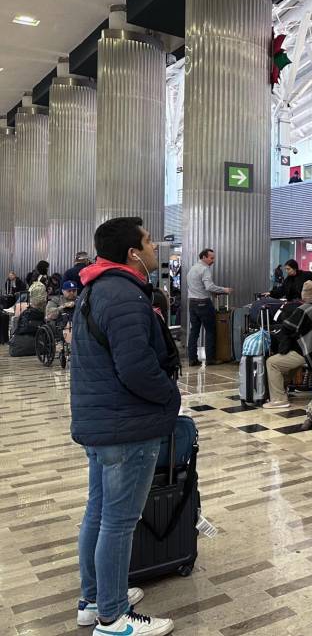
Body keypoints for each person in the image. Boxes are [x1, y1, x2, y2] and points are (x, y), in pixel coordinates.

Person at [70, 216, 179, 635]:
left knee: (99, 512)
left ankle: (93, 599)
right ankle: (113, 618)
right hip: (126, 424)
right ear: (133, 252)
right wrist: (169, 397)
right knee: (119, 521)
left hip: (102, 420)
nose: (154, 247)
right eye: (148, 241)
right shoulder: (124, 294)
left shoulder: (96, 287)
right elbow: (135, 367)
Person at [263, 281, 312, 409]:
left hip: (308, 353)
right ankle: (283, 390)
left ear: (303, 295)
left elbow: (287, 328)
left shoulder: (303, 310)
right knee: (290, 359)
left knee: (272, 362)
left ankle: (279, 400)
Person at [186, 248, 232, 367]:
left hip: (192, 303)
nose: (213, 260)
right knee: (210, 331)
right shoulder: (204, 269)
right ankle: (210, 359)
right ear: (204, 257)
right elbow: (209, 286)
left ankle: (192, 359)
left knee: (194, 331)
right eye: (211, 258)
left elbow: (198, 286)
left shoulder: (192, 269)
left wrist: (211, 292)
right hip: (203, 304)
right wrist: (224, 290)